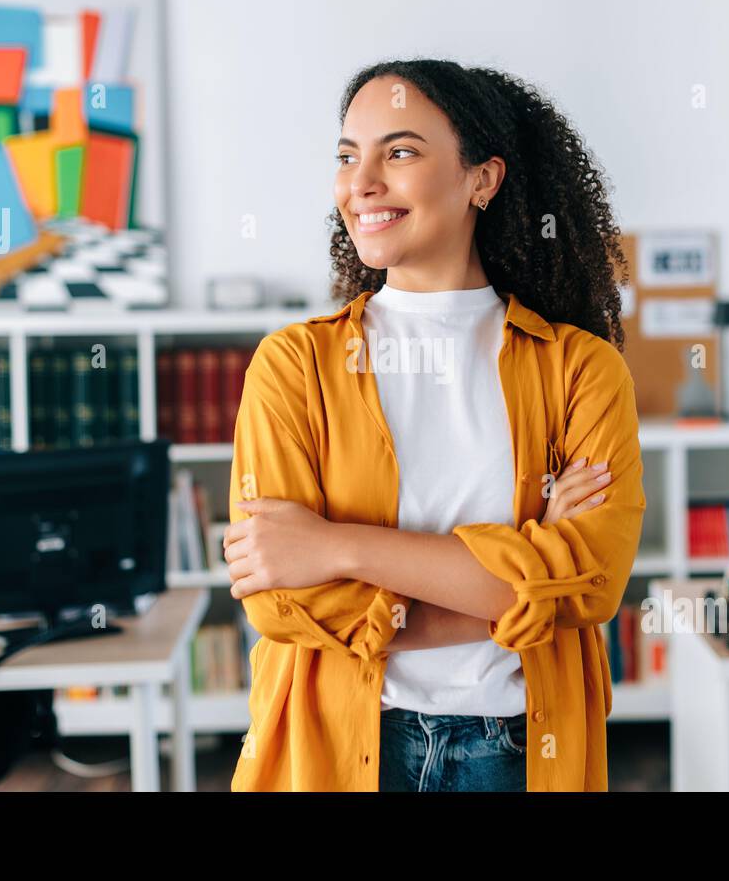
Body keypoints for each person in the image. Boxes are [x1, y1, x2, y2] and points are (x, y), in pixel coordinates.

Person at [223, 58, 645, 791]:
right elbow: (280, 600)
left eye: (402, 151)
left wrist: (335, 546)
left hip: (519, 750)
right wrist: (520, 579)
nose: (362, 182)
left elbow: (595, 584)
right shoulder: (293, 367)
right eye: (349, 156)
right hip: (341, 745)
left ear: (482, 179)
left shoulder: (583, 371)